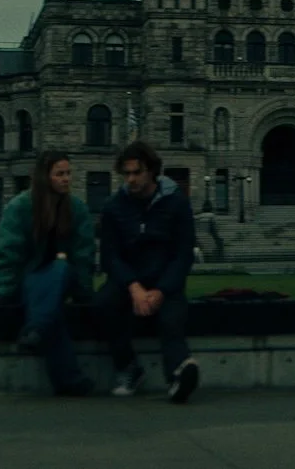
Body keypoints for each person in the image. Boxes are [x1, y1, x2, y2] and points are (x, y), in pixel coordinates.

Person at [96, 141, 199, 403]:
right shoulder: (114, 206)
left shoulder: (176, 204)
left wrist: (161, 290)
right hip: (128, 281)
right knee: (104, 304)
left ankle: (179, 371)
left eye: (136, 172)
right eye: (126, 173)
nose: (130, 179)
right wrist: (133, 287)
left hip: (165, 280)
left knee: (171, 319)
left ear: (151, 171)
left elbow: (183, 254)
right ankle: (129, 368)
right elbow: (110, 256)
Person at [0, 150, 97, 397]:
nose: (66, 179)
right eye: (60, 174)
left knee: (59, 267)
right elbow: (8, 253)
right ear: (44, 177)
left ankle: (34, 329)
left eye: (68, 173)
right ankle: (69, 380)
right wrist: (5, 292)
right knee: (51, 311)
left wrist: (83, 293)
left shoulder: (77, 210)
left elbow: (84, 256)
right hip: (29, 282)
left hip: (63, 278)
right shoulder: (19, 207)